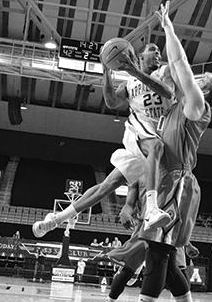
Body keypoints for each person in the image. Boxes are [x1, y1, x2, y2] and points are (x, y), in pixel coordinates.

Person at [32, 42, 175, 238]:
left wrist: (135, 72)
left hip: (155, 138)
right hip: (139, 132)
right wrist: (106, 71)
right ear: (140, 56)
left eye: (159, 51)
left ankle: (56, 219)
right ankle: (151, 208)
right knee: (156, 146)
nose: (159, 54)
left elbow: (168, 92)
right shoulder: (129, 85)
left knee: (107, 186)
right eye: (153, 50)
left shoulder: (165, 72)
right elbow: (111, 102)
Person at [135, 1, 212, 302]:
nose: (194, 80)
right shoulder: (178, 103)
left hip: (179, 183)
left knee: (158, 252)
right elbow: (175, 66)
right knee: (166, 255)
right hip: (166, 177)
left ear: (205, 92)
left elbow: (182, 66)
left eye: (200, 82)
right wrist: (167, 31)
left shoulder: (198, 107)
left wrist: (170, 29)